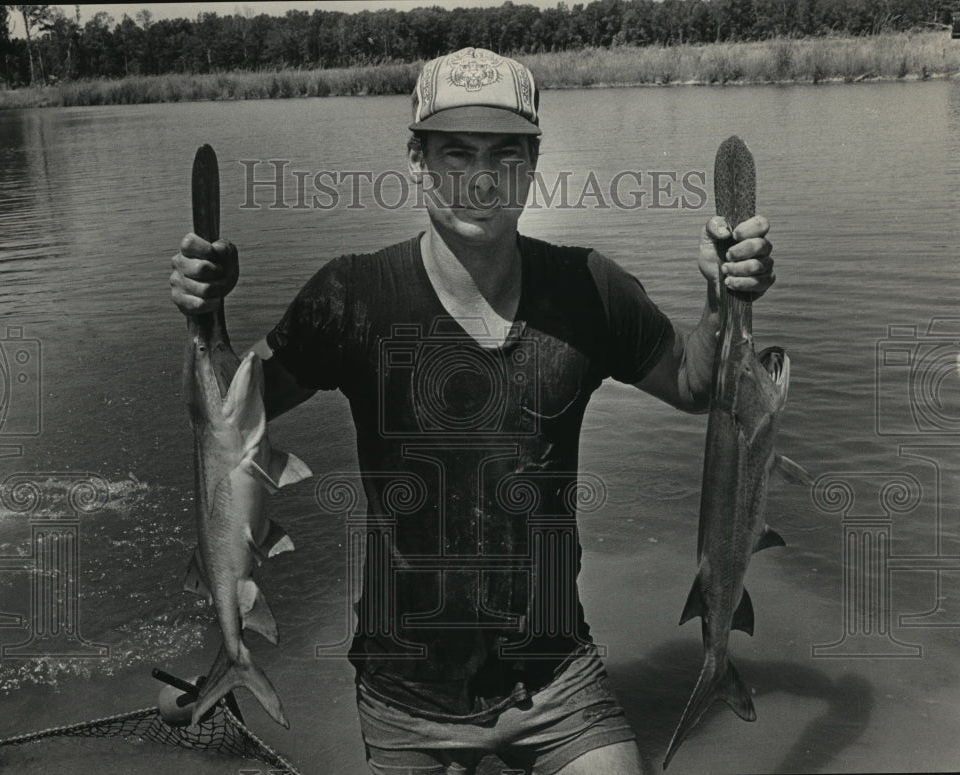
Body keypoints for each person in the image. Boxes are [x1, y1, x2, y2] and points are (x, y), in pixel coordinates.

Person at [170, 47, 774, 775]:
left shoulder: (588, 290)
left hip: (556, 675)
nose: (481, 178)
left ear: (534, 162)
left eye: (505, 153)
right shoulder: (352, 297)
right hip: (404, 694)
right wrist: (207, 321)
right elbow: (228, 421)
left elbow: (694, 385)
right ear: (416, 159)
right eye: (455, 152)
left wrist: (721, 299)